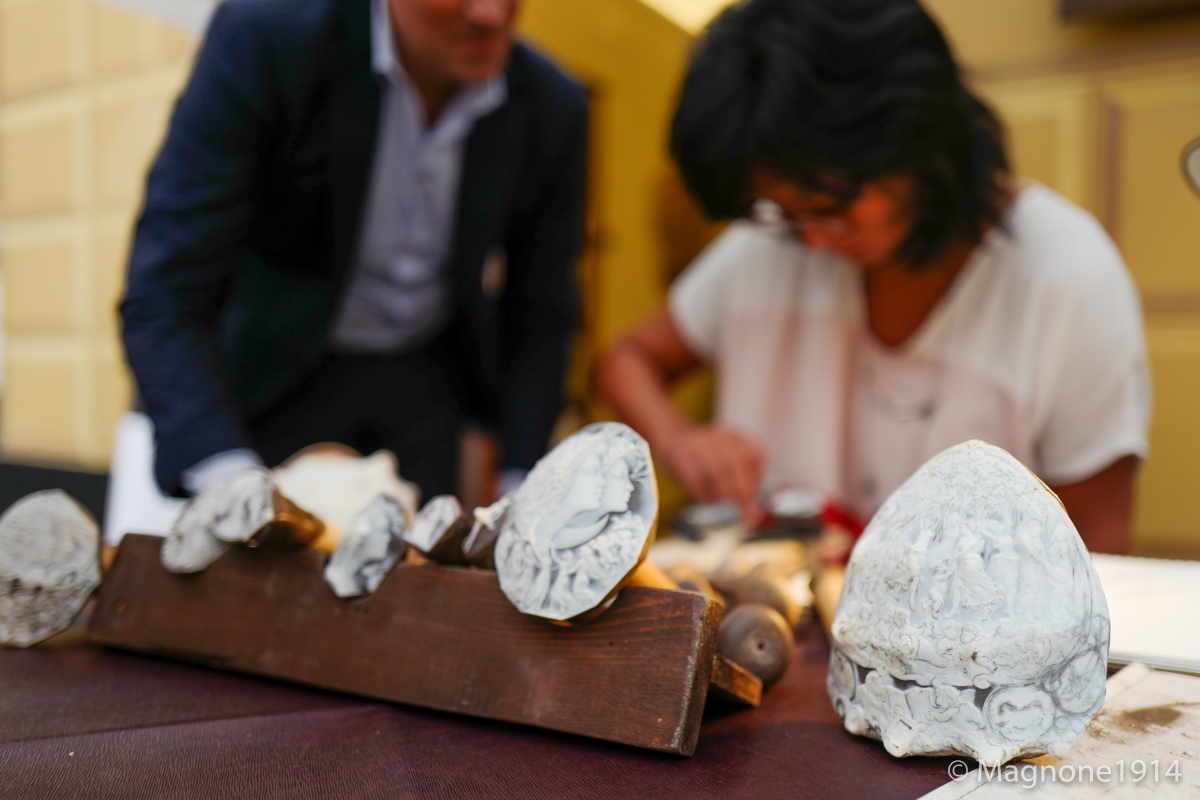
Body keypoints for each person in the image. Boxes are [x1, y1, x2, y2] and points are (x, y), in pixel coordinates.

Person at [596, 0, 1149, 553]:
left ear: (920, 141)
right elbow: (627, 359)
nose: (813, 241)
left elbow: (1097, 561)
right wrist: (680, 440)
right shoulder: (769, 245)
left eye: (832, 208)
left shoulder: (1066, 277)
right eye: (783, 214)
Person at [120, 0, 587, 503]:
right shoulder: (269, 39)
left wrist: (525, 487)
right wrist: (228, 479)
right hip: (260, 391)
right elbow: (166, 286)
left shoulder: (553, 104)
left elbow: (541, 314)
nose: (491, 14)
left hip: (423, 406)